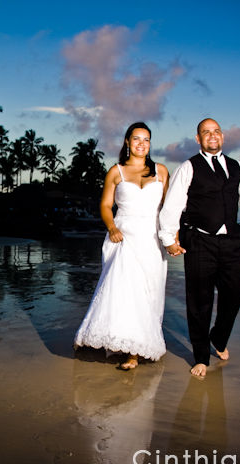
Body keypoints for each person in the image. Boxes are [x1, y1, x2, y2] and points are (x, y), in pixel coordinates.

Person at [158, 118, 240, 378]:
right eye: (206, 132)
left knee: (237, 289)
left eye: (216, 131)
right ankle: (200, 357)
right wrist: (168, 240)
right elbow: (173, 205)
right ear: (198, 139)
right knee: (200, 301)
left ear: (222, 136)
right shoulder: (188, 167)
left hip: (230, 241)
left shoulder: (238, 167)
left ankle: (218, 338)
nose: (212, 136)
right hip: (199, 240)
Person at [74, 122, 170, 370]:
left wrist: (174, 238)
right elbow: (106, 206)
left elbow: (168, 211)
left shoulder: (161, 171)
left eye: (146, 139)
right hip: (123, 236)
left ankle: (141, 344)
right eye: (136, 138)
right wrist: (112, 228)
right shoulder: (115, 171)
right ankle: (131, 353)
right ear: (127, 142)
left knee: (150, 292)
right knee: (126, 292)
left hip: (151, 239)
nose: (141, 143)